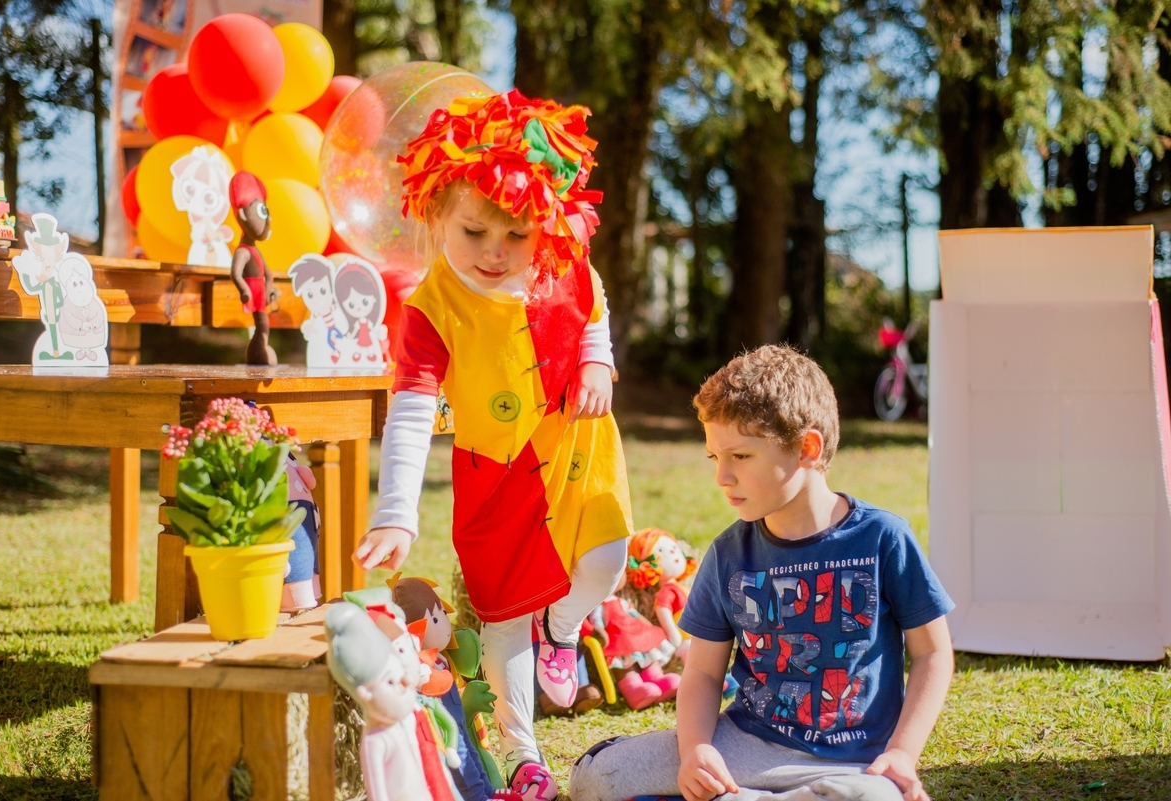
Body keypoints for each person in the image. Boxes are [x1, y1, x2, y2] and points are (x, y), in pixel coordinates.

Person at [352, 89, 632, 800]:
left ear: (544, 222)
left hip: (578, 447)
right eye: (474, 232)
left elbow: (591, 300)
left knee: (605, 562)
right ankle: (522, 753)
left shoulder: (563, 255)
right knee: (504, 615)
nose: (495, 252)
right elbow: (412, 413)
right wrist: (397, 513)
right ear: (438, 212)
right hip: (494, 474)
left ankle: (566, 625)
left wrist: (598, 358)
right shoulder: (430, 310)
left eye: (515, 235)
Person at [570, 345, 956, 801]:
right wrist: (696, 750)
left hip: (856, 762)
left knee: (875, 798)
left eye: (741, 456)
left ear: (807, 448)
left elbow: (933, 655)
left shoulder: (883, 538)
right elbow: (704, 674)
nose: (722, 477)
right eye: (715, 457)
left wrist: (903, 754)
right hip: (746, 746)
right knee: (594, 776)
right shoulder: (729, 552)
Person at [229, 171, 278, 366]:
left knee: (263, 324)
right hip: (253, 291)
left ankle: (260, 348)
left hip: (260, 291)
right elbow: (235, 273)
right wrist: (244, 291)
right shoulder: (243, 251)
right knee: (262, 325)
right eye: (261, 212)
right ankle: (259, 350)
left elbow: (268, 273)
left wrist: (269, 289)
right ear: (242, 214)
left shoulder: (253, 250)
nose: (268, 221)